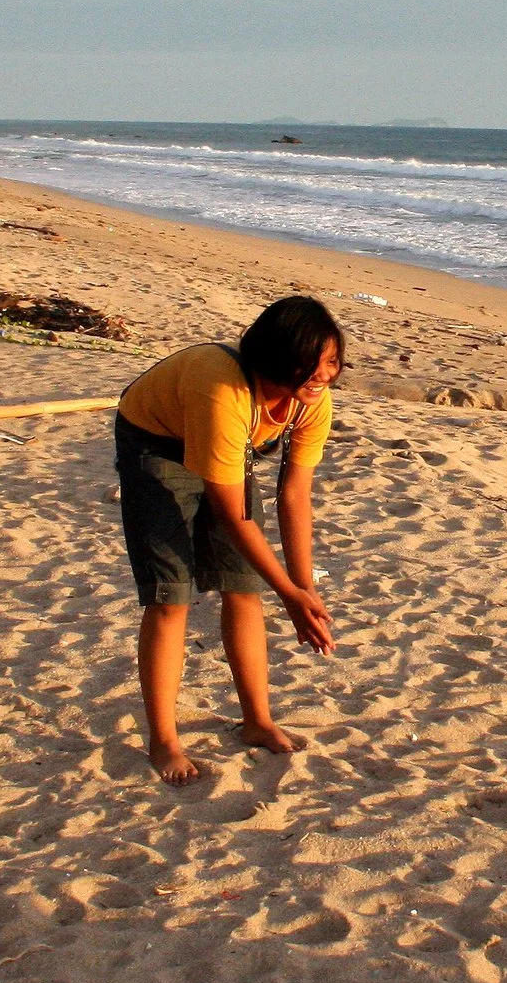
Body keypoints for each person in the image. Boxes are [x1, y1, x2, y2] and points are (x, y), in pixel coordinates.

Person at [115, 296, 342, 784]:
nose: (324, 375)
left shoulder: (312, 400)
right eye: (313, 363)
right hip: (157, 444)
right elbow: (234, 514)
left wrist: (304, 588)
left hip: (227, 450)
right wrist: (290, 595)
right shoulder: (222, 389)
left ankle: (257, 721)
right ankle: (164, 740)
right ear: (278, 358)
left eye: (332, 362)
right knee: (170, 595)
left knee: (244, 587)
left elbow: (296, 494)